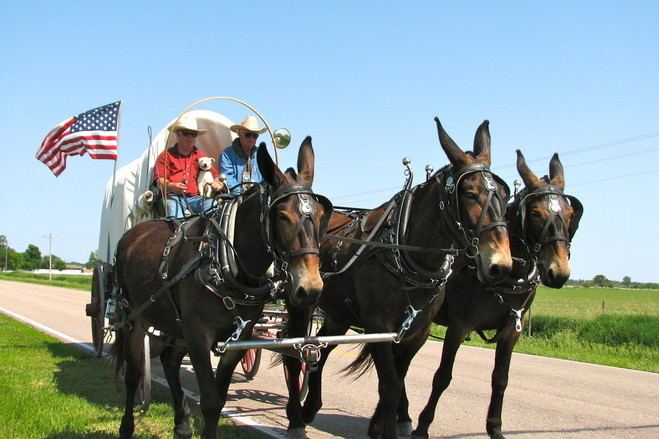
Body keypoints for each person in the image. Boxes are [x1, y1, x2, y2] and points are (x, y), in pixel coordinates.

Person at [154, 113, 224, 218]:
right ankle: (178, 233)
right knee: (175, 213)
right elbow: (159, 180)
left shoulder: (201, 156)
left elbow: (215, 175)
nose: (190, 137)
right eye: (186, 133)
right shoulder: (166, 156)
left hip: (196, 198)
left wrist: (218, 183)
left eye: (193, 134)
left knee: (214, 206)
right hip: (173, 197)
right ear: (178, 134)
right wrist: (171, 186)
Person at [220, 115, 266, 196]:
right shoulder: (227, 154)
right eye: (248, 135)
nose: (252, 139)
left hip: (258, 198)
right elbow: (229, 178)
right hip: (235, 197)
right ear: (240, 134)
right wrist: (242, 195)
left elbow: (266, 178)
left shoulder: (261, 155)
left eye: (255, 136)